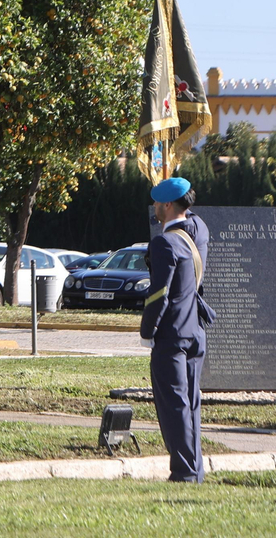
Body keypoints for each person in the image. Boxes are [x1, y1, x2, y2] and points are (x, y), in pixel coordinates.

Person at [141, 176, 209, 482]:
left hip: (170, 334)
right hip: (194, 330)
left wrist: (147, 331)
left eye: (158, 202)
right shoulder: (199, 232)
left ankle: (183, 473)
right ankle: (195, 471)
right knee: (190, 405)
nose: (155, 207)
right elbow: (191, 218)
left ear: (168, 205)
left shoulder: (164, 242)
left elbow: (159, 294)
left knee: (174, 406)